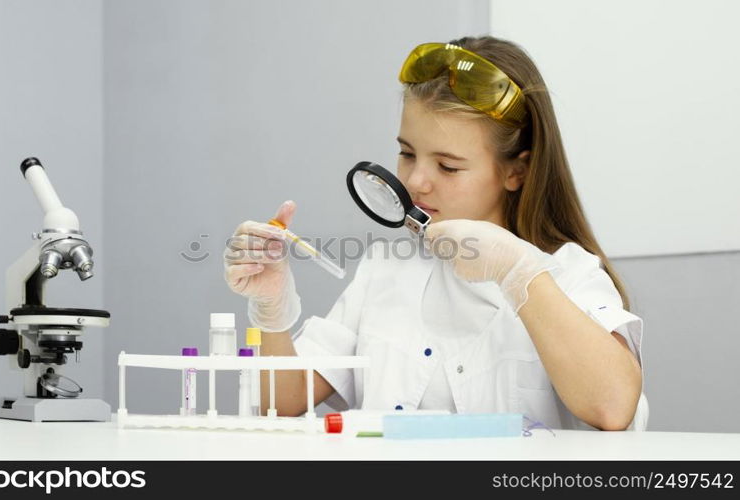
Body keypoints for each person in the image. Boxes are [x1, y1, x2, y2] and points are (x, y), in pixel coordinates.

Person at [223, 36, 647, 431]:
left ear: (516, 170)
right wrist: (271, 310)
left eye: (448, 166)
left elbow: (613, 407)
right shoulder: (383, 272)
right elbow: (280, 404)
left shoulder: (570, 274)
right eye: (407, 153)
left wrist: (519, 272)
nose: (417, 181)